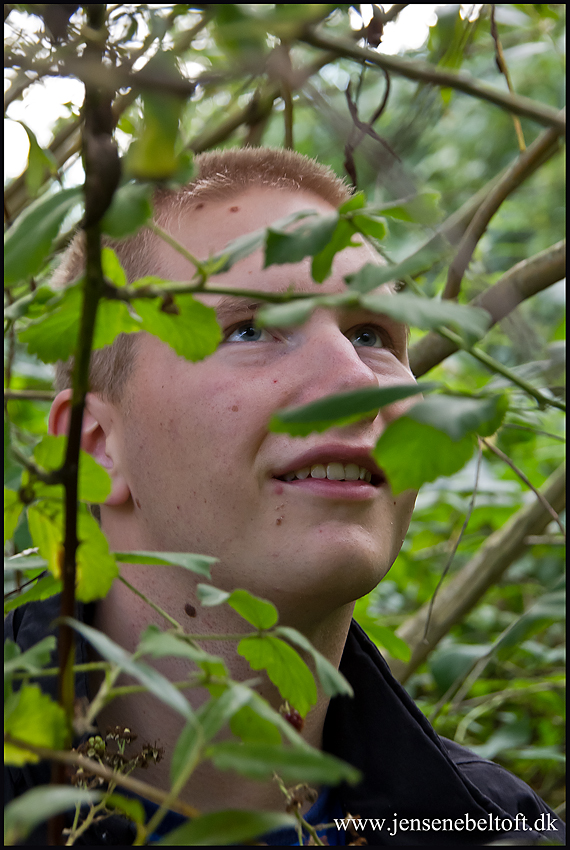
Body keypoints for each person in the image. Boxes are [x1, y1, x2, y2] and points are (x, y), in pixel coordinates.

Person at [5, 147, 564, 845]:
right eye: (250, 330)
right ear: (92, 448)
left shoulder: (503, 832)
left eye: (370, 334)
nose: (358, 380)